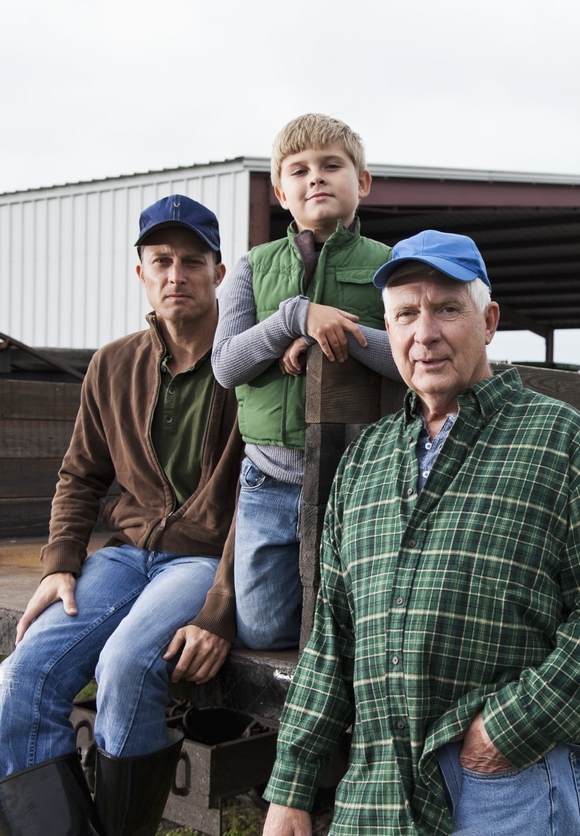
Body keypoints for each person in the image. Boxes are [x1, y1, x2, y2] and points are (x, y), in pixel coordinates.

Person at [261, 231, 580, 835]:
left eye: (447, 308)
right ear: (387, 331)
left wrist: (504, 731)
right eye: (405, 314)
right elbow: (332, 638)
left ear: (488, 320)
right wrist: (291, 787)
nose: (425, 334)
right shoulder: (365, 460)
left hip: (505, 781)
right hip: (378, 793)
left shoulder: (562, 443)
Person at [0, 194, 244, 836]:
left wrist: (221, 599)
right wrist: (61, 562)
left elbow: (266, 492)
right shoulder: (113, 363)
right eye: (161, 260)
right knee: (23, 674)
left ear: (218, 271)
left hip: (203, 559)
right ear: (141, 274)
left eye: (192, 260)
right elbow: (81, 473)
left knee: (126, 666)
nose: (176, 274)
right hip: (127, 556)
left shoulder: (249, 361)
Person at [213, 112, 397, 651]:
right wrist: (295, 317)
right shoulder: (251, 267)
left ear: (360, 182)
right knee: (262, 629)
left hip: (360, 481)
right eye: (299, 170)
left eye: (331, 165)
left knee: (357, 625)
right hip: (269, 480)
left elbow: (411, 361)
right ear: (280, 192)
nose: (315, 177)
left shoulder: (391, 266)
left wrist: (333, 333)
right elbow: (226, 365)